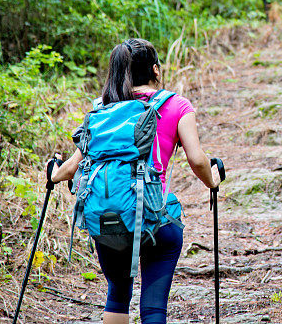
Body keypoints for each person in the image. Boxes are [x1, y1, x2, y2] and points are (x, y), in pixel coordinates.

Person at [50, 38, 217, 324]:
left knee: (117, 294)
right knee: (153, 306)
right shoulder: (177, 105)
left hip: (110, 220)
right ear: (155, 70)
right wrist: (213, 181)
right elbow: (197, 160)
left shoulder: (103, 110)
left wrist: (52, 173)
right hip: (156, 222)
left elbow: (69, 168)